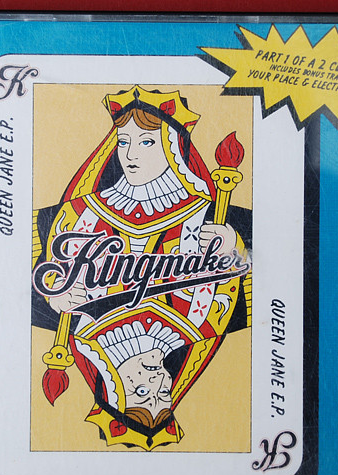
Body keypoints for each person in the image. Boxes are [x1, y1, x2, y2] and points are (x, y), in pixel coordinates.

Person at [32, 86, 251, 450]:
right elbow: (51, 270)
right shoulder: (83, 212)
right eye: (123, 141)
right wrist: (56, 296)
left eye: (146, 142)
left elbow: (234, 287)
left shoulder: (204, 213)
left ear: (172, 147)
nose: (130, 154)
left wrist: (232, 246)